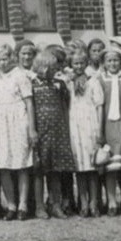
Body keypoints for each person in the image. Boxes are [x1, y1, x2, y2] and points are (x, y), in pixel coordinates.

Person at [30, 51, 75, 219]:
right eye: (51, 68)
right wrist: (32, 130)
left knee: (55, 169)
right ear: (42, 68)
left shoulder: (59, 84)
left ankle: (55, 204)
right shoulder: (32, 84)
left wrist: (65, 128)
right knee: (39, 169)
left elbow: (65, 105)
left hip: (57, 130)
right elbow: (30, 108)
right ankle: (40, 207)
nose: (54, 71)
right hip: (40, 130)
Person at [0, 44, 35, 219]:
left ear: (12, 58)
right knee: (4, 164)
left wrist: (31, 128)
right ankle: (11, 204)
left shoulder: (20, 75)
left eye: (5, 59)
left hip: (19, 119)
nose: (2, 63)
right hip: (3, 121)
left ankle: (23, 205)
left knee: (22, 163)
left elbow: (29, 103)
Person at [67, 49, 101, 217]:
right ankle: (84, 202)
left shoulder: (93, 81)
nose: (79, 66)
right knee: (80, 167)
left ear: (86, 63)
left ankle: (94, 201)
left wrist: (99, 129)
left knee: (92, 166)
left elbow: (99, 105)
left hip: (90, 124)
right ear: (71, 65)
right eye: (75, 63)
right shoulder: (68, 82)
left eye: (81, 63)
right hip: (74, 126)